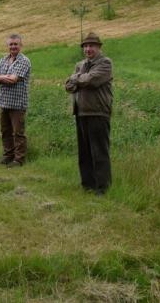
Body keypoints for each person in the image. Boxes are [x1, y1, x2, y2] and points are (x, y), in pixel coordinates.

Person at [64, 32, 113, 195]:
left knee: (99, 151)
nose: (88, 49)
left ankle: (102, 187)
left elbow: (92, 80)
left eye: (91, 45)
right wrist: (79, 79)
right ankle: (88, 185)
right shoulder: (80, 65)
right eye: (85, 46)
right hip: (81, 112)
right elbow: (68, 86)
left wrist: (76, 78)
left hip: (98, 112)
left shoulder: (105, 63)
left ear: (99, 47)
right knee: (84, 152)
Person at [0, 34, 31, 167]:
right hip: (3, 102)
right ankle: (8, 156)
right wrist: (4, 78)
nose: (13, 46)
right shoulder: (3, 59)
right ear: (7, 46)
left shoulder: (24, 61)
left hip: (17, 103)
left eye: (16, 44)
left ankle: (19, 160)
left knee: (18, 133)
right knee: (5, 131)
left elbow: (13, 80)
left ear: (20, 45)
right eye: (11, 44)